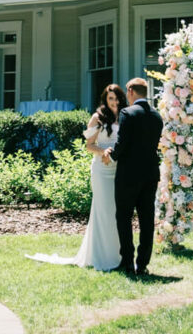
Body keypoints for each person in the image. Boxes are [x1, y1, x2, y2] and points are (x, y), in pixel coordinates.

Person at [26, 83, 127, 271]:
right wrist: (104, 151)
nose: (114, 102)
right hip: (102, 170)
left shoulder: (124, 117)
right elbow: (89, 145)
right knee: (103, 211)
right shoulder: (98, 118)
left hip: (120, 170)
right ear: (105, 99)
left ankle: (118, 254)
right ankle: (102, 256)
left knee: (117, 212)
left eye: (117, 98)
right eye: (111, 98)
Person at [102, 77, 163, 276]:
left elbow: (123, 143)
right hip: (150, 175)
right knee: (147, 220)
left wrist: (111, 153)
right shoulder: (157, 116)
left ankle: (127, 261)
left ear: (130, 91)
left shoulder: (127, 113)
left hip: (128, 175)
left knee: (124, 217)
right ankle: (143, 264)